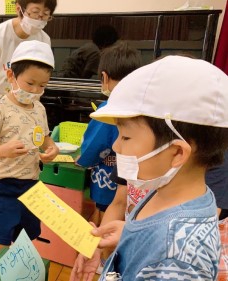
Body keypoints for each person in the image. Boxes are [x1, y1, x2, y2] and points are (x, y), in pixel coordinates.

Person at [79, 56, 228, 280]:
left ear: (177, 152)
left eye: (126, 136)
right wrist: (129, 236)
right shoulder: (167, 193)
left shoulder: (178, 259)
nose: (115, 145)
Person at [0, 0, 57, 231]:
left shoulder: (43, 40)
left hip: (22, 102)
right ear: (20, 8)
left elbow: (38, 82)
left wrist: (49, 145)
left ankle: (16, 207)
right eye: (35, 12)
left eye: (45, 15)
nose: (39, 20)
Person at [0, 40, 59, 248]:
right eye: (30, 83)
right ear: (11, 76)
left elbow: (45, 139)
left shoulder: (39, 109)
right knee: (0, 238)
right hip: (1, 185)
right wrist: (4, 150)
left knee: (27, 236)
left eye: (42, 85)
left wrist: (52, 148)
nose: (35, 90)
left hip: (31, 183)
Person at [75, 42, 142, 227]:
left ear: (104, 76)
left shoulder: (109, 108)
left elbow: (94, 145)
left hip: (109, 179)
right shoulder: (142, 107)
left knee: (104, 213)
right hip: (135, 184)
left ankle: (100, 252)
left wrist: (82, 160)